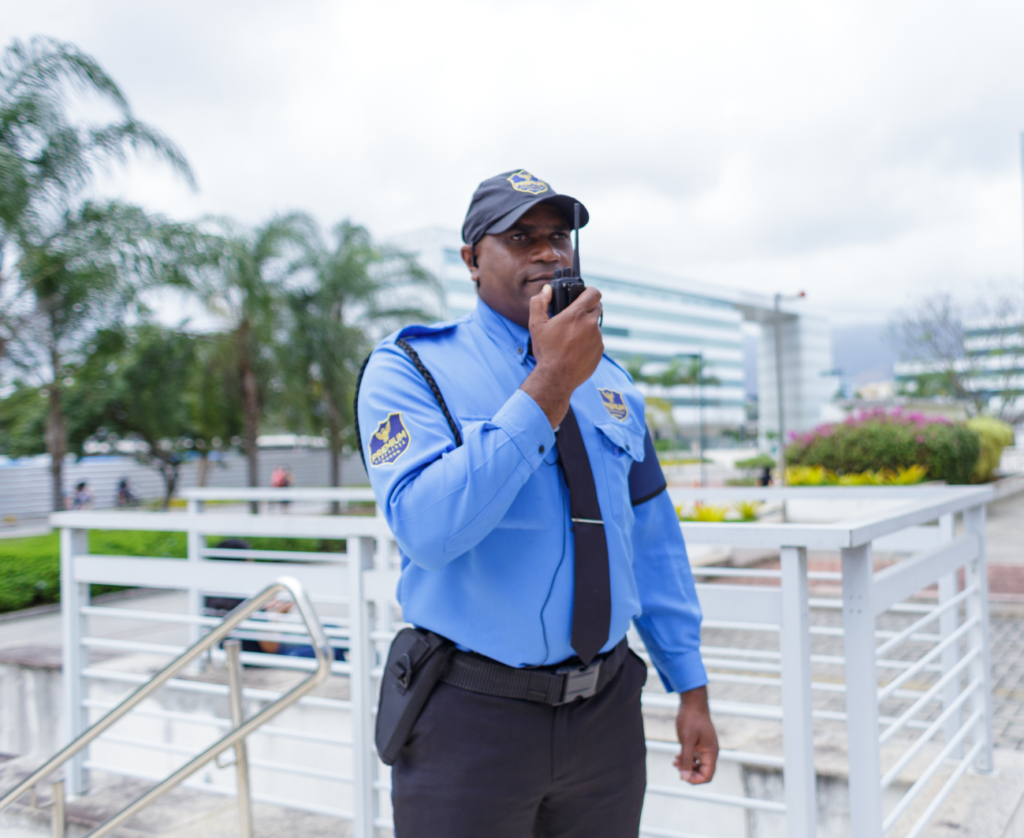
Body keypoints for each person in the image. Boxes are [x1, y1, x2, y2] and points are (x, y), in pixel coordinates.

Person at [356, 170, 717, 837]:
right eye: (521, 237)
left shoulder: (611, 381)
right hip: (471, 719)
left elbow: (651, 540)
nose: (549, 253)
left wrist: (689, 685)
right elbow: (428, 531)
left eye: (559, 236)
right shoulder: (411, 368)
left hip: (605, 714)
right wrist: (549, 383)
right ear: (471, 259)